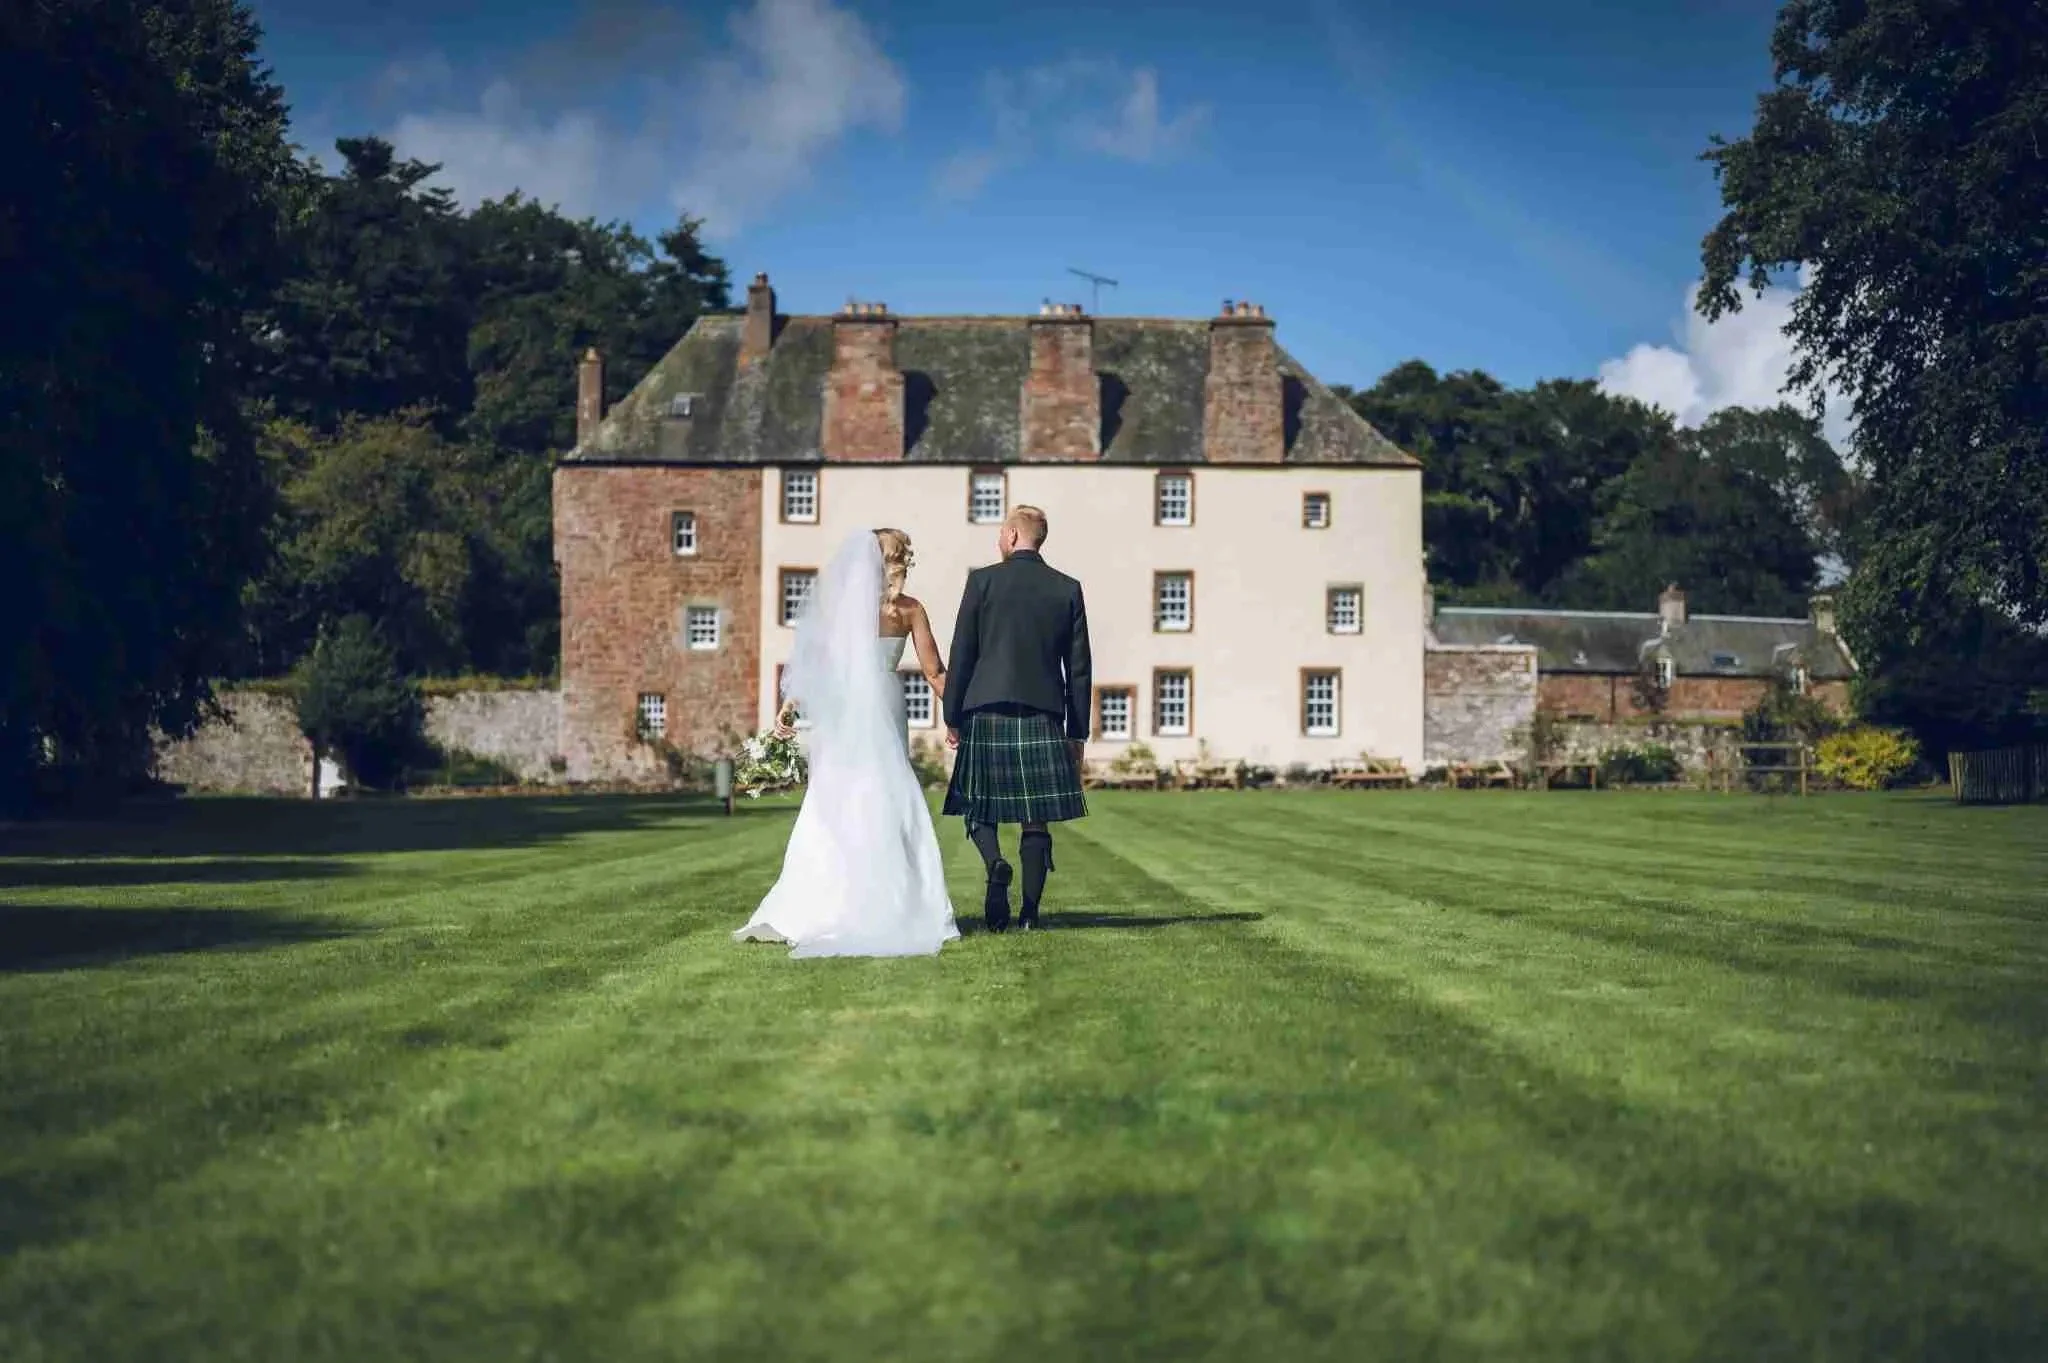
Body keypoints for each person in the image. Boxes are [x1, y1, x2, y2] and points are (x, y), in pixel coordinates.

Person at [733, 528, 959, 957]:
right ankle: (908, 905)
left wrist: (791, 706)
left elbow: (816, 662)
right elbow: (934, 672)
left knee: (834, 792)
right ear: (897, 561)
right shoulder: (908, 610)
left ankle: (820, 901)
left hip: (843, 706)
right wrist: (962, 710)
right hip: (884, 701)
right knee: (889, 791)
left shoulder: (838, 610)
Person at [941, 505, 1092, 932]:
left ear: (1010, 535)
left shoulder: (982, 581)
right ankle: (1029, 914)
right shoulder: (1067, 588)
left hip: (986, 708)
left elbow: (962, 653)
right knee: (1036, 814)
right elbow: (1078, 667)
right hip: (1043, 712)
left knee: (979, 805)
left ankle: (995, 866)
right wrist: (1077, 732)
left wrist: (952, 714)